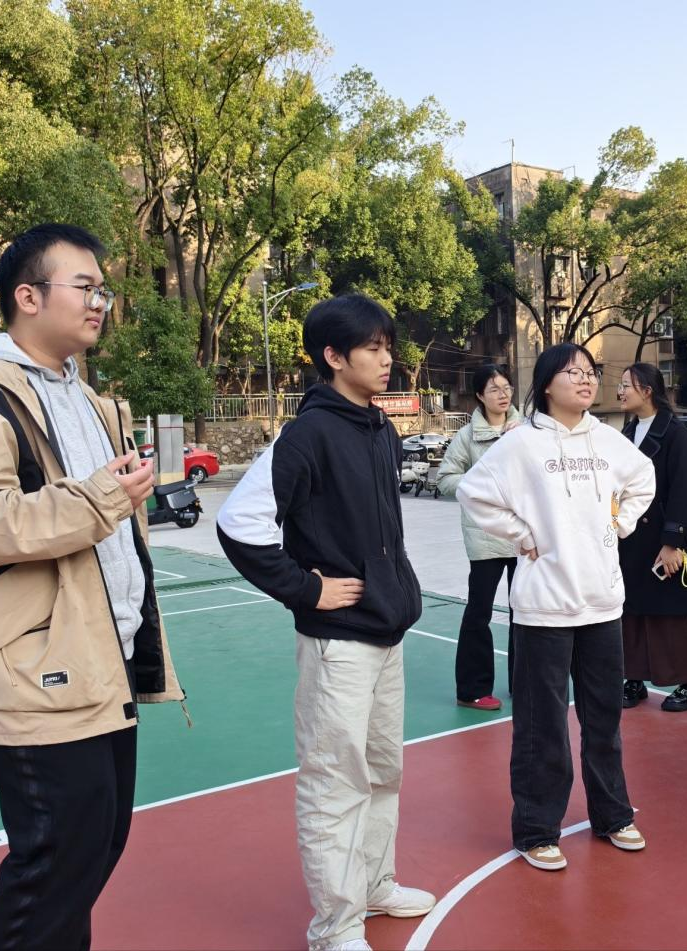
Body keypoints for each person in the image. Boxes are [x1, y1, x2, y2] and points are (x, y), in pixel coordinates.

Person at [0, 223, 186, 949]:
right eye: (85, 287)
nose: (100, 302)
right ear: (27, 297)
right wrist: (101, 498)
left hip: (102, 659)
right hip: (32, 671)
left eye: (104, 290)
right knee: (56, 860)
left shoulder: (91, 401)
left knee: (93, 848)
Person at [216, 295, 434, 951]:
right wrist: (307, 589)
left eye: (388, 346)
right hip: (339, 644)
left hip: (386, 632)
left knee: (383, 772)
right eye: (373, 348)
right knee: (335, 782)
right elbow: (239, 523)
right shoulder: (307, 434)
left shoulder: (380, 428)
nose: (387, 358)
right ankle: (336, 926)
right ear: (334, 356)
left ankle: (373, 885)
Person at [458, 343, 656, 871]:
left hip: (602, 604)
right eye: (573, 373)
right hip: (543, 607)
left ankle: (612, 814)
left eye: (591, 372)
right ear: (547, 383)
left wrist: (621, 523)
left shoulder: (607, 440)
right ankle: (536, 829)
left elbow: (643, 480)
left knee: (603, 721)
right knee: (541, 725)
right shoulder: (521, 442)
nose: (586, 380)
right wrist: (521, 534)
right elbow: (474, 493)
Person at [615, 363, 687, 712]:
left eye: (626, 385)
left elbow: (681, 492)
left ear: (646, 390)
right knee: (632, 610)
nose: (620, 392)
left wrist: (672, 542)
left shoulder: (674, 433)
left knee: (673, 612)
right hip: (631, 537)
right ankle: (633, 678)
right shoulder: (628, 431)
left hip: (664, 536)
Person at [437, 364, 522, 710]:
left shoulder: (528, 429)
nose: (503, 395)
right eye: (494, 389)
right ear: (479, 396)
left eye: (507, 388)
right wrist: (481, 484)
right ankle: (472, 690)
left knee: (527, 612)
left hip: (524, 535)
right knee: (479, 612)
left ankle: (525, 682)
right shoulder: (467, 437)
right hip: (485, 535)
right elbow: (445, 480)